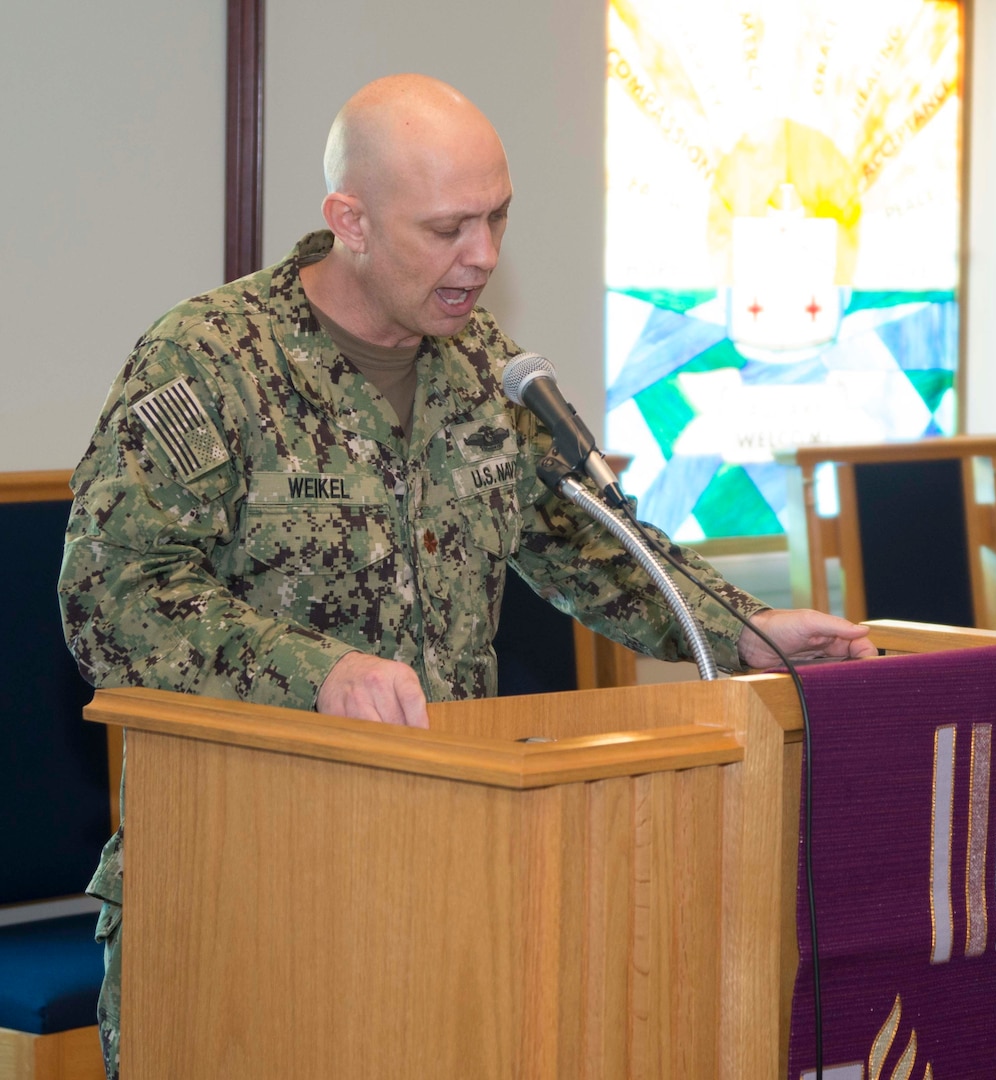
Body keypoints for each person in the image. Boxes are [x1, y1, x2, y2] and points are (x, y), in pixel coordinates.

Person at [58, 73, 875, 1078]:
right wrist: (314, 672)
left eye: (497, 217)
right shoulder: (211, 360)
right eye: (448, 228)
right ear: (347, 221)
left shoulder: (484, 368)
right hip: (246, 875)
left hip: (448, 869)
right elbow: (114, 599)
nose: (482, 255)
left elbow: (585, 543)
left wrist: (743, 625)